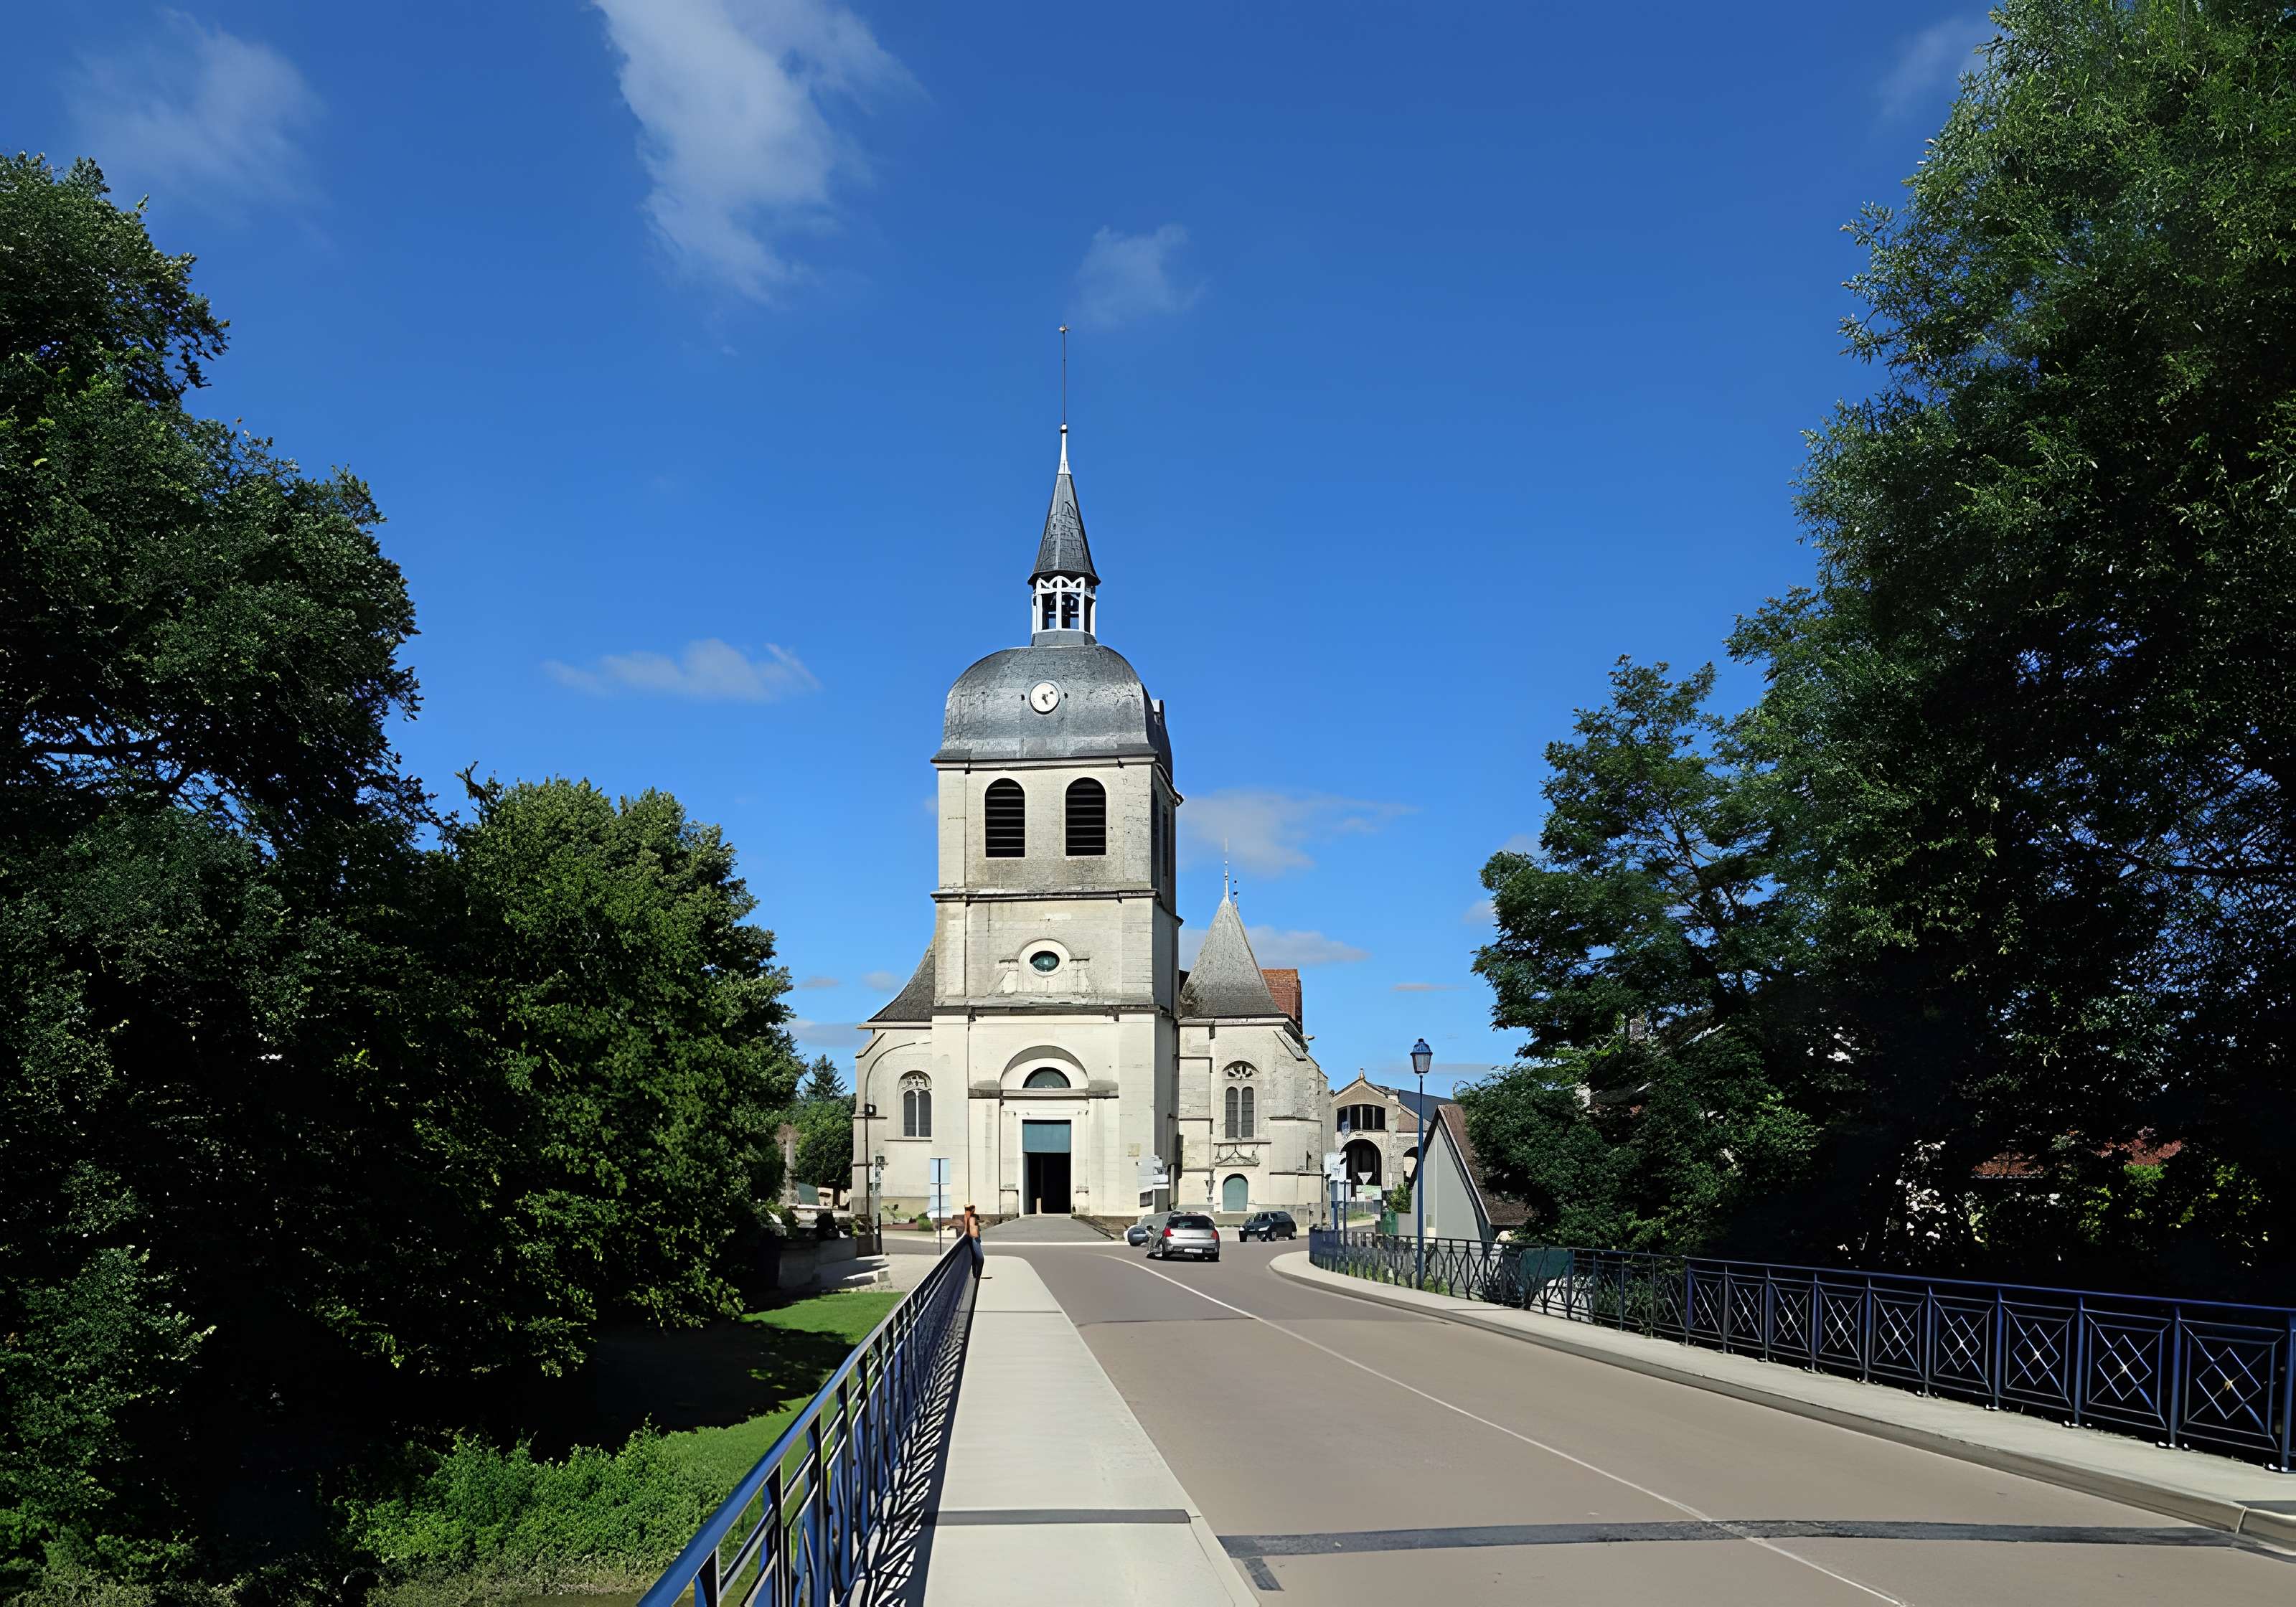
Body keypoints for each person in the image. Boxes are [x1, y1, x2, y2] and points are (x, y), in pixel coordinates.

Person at [962, 1204, 984, 1278]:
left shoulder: (973, 1217)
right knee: (980, 1259)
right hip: (974, 1239)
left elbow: (967, 1229)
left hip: (974, 1238)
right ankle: (977, 1275)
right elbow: (968, 1229)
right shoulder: (969, 1217)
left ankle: (976, 1275)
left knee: (975, 1258)